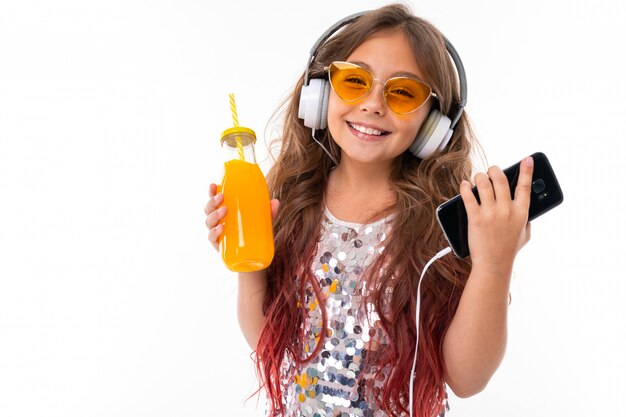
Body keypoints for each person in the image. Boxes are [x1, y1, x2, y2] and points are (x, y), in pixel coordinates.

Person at [205, 4, 533, 416]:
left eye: (402, 92)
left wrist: (494, 264)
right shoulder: (290, 200)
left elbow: (466, 379)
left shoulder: (445, 224)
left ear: (435, 124)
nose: (373, 104)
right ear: (319, 92)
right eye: (354, 80)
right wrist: (249, 260)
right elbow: (267, 342)